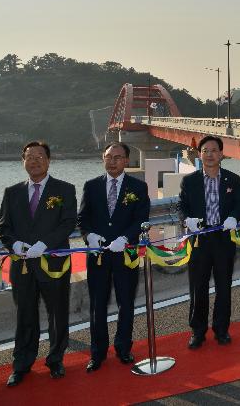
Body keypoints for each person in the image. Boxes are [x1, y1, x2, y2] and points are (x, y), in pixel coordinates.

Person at [0, 141, 76, 387]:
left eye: (39, 156)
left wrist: (45, 244)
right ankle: (21, 364)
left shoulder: (65, 189)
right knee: (25, 315)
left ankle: (55, 360)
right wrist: (14, 244)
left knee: (57, 314)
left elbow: (68, 223)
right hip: (22, 266)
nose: (34, 161)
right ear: (23, 161)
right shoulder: (12, 192)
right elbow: (3, 228)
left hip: (54, 264)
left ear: (48, 160)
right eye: (29, 157)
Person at [77, 142, 150, 372]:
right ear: (103, 158)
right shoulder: (91, 186)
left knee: (125, 303)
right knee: (97, 305)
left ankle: (123, 348)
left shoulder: (138, 187)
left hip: (125, 253)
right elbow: (83, 218)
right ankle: (97, 353)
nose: (112, 161)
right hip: (98, 256)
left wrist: (125, 238)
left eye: (117, 157)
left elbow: (141, 219)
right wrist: (89, 236)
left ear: (126, 160)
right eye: (108, 157)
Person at [178, 135, 240, 348]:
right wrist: (187, 220)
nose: (209, 154)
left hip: (224, 239)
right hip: (199, 239)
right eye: (205, 151)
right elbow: (181, 206)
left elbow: (239, 204)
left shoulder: (233, 179)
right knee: (198, 287)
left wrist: (234, 217)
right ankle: (198, 331)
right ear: (199, 154)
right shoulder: (190, 181)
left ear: (221, 154)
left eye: (214, 150)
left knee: (224, 286)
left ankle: (221, 329)